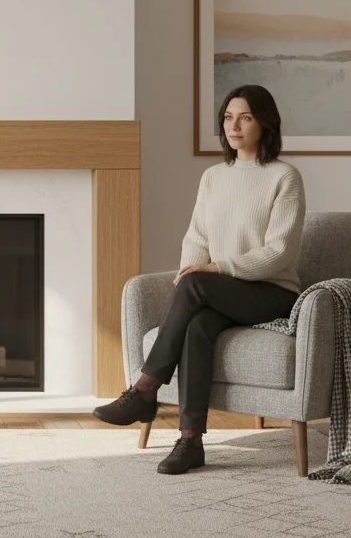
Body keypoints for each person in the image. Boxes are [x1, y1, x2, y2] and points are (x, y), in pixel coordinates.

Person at [91, 84, 305, 474]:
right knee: (197, 326)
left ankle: (145, 390)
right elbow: (198, 238)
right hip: (225, 294)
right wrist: (187, 278)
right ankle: (191, 441)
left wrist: (212, 271)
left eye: (245, 117)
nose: (234, 126)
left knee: (196, 285)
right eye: (228, 117)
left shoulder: (284, 177)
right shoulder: (213, 177)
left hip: (273, 293)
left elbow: (279, 253)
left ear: (265, 122)